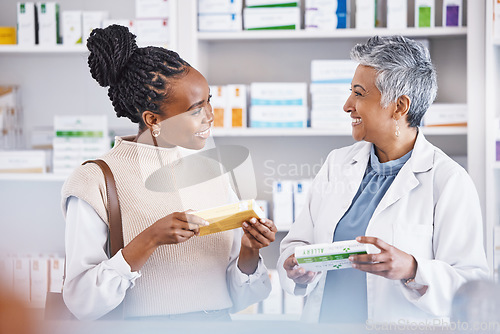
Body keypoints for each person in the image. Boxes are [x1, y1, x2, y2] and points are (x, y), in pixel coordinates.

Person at [61, 25, 276, 321]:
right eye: (195, 110)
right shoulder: (95, 180)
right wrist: (148, 240)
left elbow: (240, 298)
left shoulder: (213, 170)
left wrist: (249, 251)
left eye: (209, 100)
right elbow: (81, 302)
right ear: (153, 120)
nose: (211, 116)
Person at [277, 35, 489, 324]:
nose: (347, 105)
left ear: (400, 106)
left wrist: (413, 268)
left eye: (359, 93)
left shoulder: (448, 180)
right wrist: (296, 266)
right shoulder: (337, 164)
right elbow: (298, 242)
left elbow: (470, 284)